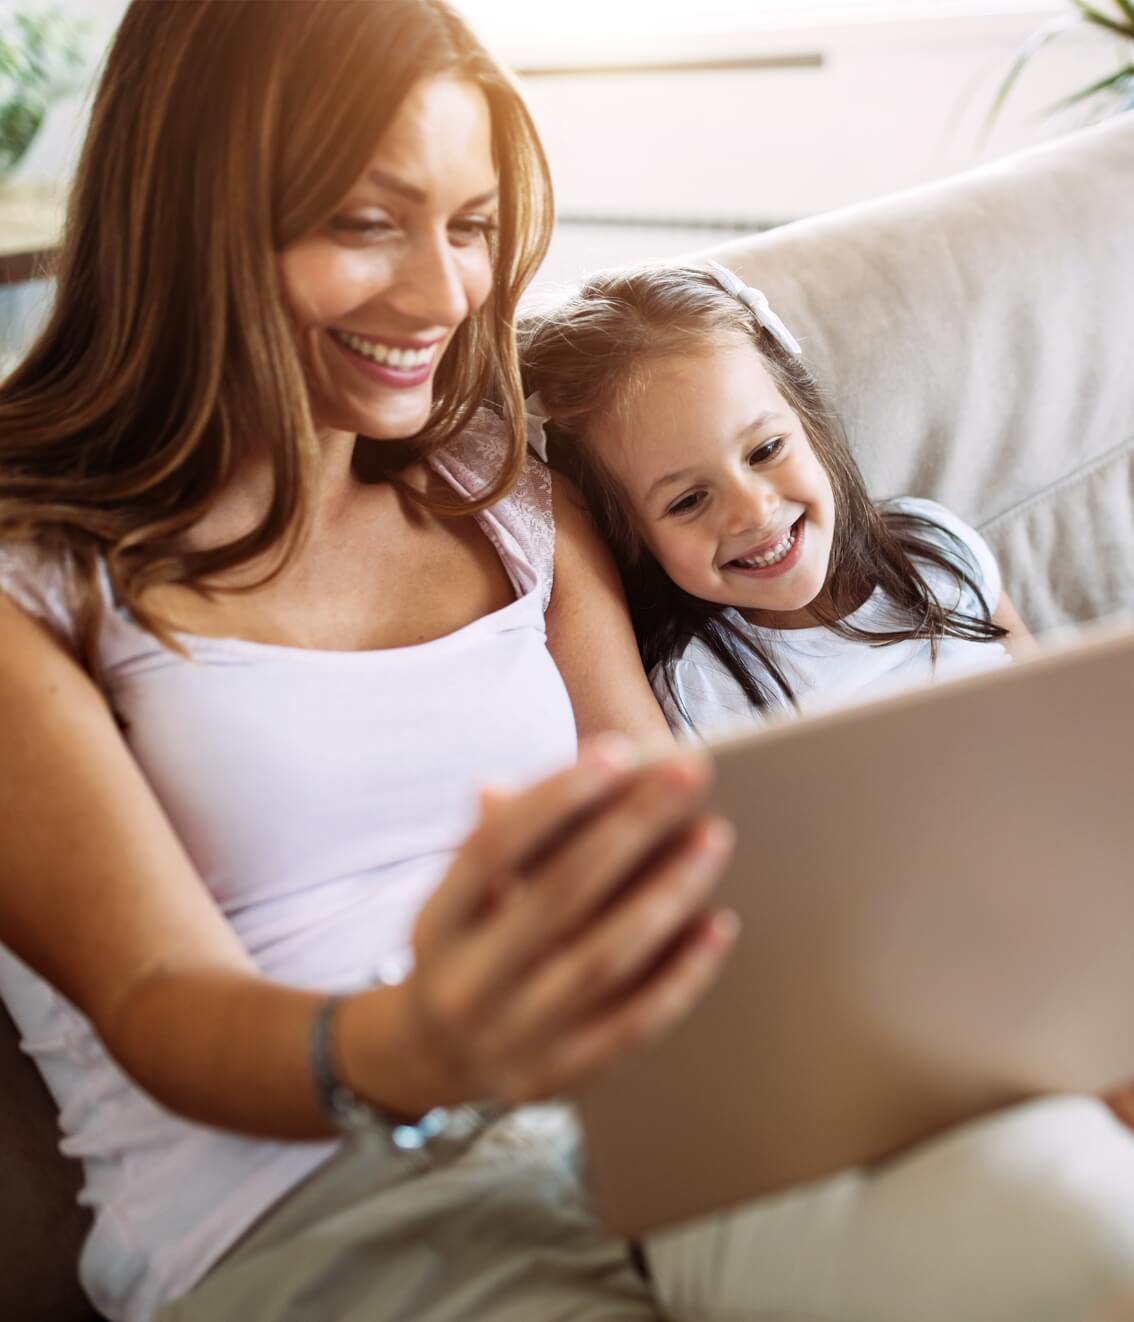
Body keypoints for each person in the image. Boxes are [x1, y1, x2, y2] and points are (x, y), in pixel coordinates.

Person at [2, 5, 1134, 1322]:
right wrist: (414, 1043)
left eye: (471, 226)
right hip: (321, 1207)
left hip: (680, 1097)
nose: (441, 295)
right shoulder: (38, 574)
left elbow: (663, 793)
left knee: (1084, 1246)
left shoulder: (492, 478)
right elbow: (155, 999)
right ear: (193, 211)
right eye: (369, 221)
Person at [518, 260, 1034, 739]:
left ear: (808, 421)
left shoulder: (938, 546)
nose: (754, 511)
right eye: (689, 500)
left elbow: (1054, 711)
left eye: (765, 450)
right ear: (631, 537)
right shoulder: (696, 686)